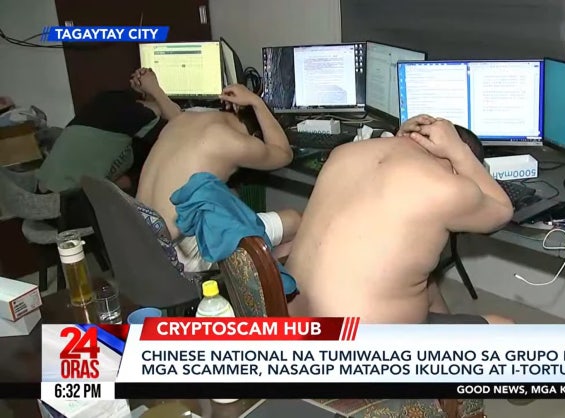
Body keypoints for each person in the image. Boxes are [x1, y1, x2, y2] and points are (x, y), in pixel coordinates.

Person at [285, 115, 514, 324]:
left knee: (427, 284)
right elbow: (503, 211)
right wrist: (460, 151)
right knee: (505, 327)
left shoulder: (343, 152)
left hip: (291, 324)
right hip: (357, 346)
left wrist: (402, 137)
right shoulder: (448, 188)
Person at [136, 83, 301, 273]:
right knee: (296, 222)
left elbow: (173, 112)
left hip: (138, 240)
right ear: (256, 135)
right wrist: (257, 102)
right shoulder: (232, 141)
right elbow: (283, 153)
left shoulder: (182, 119)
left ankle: (261, 276)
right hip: (173, 258)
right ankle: (263, 287)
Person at [36, 68, 179, 195]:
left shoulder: (105, 106)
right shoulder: (135, 115)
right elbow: (180, 123)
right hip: (65, 202)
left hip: (44, 190)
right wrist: (155, 90)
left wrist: (150, 94)